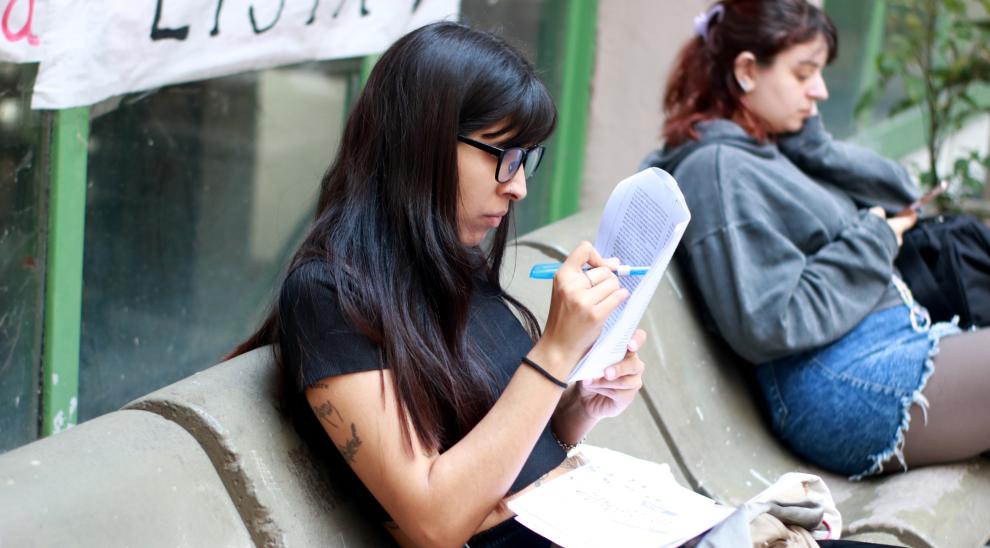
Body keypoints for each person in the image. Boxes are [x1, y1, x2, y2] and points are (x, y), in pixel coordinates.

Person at [231, 21, 646, 547]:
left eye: (527, 159)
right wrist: (556, 352)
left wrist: (580, 406)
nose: (517, 186)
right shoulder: (329, 296)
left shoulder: (452, 258)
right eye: (504, 156)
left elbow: (499, 457)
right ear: (422, 142)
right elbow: (435, 521)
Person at [643, 0, 990, 480]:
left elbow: (904, 196)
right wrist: (873, 238)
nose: (820, 91)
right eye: (804, 73)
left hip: (888, 346)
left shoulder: (771, 149)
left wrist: (816, 148)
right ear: (747, 71)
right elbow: (768, 322)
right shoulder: (718, 171)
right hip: (841, 381)